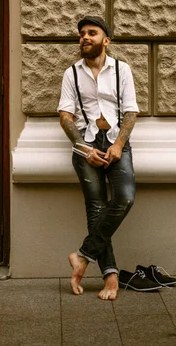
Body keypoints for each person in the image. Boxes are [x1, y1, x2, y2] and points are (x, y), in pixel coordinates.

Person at [58, 15, 139, 300]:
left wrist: (118, 145)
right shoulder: (72, 73)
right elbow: (65, 116)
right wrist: (84, 149)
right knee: (95, 208)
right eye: (82, 34)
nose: (85, 37)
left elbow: (130, 111)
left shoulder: (122, 70)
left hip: (116, 142)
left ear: (106, 40)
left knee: (125, 197)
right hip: (87, 144)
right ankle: (111, 277)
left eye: (92, 33)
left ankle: (82, 255)